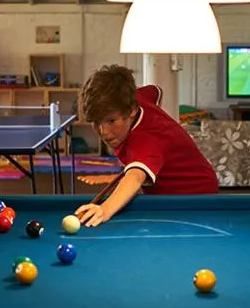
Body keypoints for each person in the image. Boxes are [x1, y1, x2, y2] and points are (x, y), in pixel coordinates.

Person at [74, 64, 217, 227]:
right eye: (96, 122)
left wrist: (105, 210)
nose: (103, 132)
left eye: (111, 121)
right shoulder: (132, 99)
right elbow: (155, 91)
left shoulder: (146, 139)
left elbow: (135, 177)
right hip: (165, 190)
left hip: (194, 193)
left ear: (132, 111)